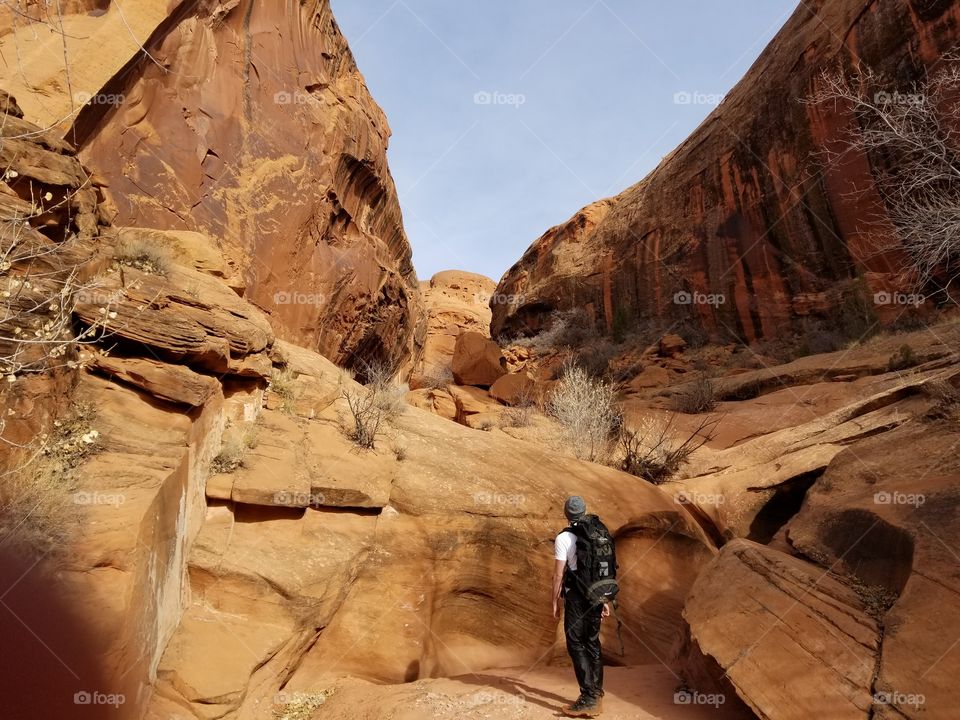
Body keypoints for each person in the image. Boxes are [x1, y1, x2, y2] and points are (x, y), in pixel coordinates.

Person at [552, 495, 610, 717]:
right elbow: (602, 568)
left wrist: (554, 601)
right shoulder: (598, 532)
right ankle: (596, 693)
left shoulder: (564, 538)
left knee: (575, 643)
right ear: (584, 511)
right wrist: (604, 599)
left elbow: (558, 575)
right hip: (596, 595)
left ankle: (588, 697)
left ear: (567, 514)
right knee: (592, 642)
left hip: (576, 597)